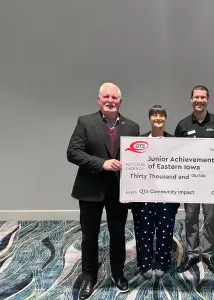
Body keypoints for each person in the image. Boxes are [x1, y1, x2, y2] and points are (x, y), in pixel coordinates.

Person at [67, 82, 140, 300]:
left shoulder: (132, 127)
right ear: (99, 100)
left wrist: (133, 191)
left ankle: (118, 273)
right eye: (106, 97)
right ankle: (89, 276)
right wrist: (102, 163)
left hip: (119, 192)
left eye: (114, 97)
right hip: (91, 190)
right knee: (90, 235)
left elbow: (137, 162)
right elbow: (73, 152)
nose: (110, 100)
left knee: (118, 235)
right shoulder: (85, 122)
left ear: (120, 101)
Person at [174, 85, 214, 274]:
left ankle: (209, 253)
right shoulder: (182, 125)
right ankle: (192, 253)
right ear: (191, 100)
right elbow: (176, 154)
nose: (199, 100)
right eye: (196, 97)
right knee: (190, 218)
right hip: (190, 181)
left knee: (210, 217)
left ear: (208, 100)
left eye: (203, 97)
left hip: (212, 181)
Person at [131, 105, 179, 279]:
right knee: (144, 230)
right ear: (149, 118)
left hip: (167, 195)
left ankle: (162, 263)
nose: (158, 118)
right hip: (143, 195)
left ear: (165, 118)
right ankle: (144, 264)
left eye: (161, 115)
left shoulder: (175, 142)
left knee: (165, 231)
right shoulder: (138, 141)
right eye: (154, 115)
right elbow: (132, 169)